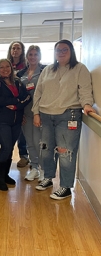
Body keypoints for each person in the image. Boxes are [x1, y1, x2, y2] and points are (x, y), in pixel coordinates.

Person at [33, 39, 95, 200]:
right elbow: (38, 93)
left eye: (64, 50)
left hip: (68, 115)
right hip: (46, 114)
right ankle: (48, 177)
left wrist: (87, 104)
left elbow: (85, 90)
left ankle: (66, 187)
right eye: (58, 50)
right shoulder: (47, 70)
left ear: (71, 51)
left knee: (65, 151)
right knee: (46, 149)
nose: (61, 52)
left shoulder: (79, 69)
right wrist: (36, 113)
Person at [0, 59, 31, 191]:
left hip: (16, 120)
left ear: (11, 68)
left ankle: (5, 174)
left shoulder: (18, 82)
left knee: (11, 147)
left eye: (7, 66)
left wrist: (17, 104)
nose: (5, 69)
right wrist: (17, 100)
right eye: (2, 67)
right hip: (1, 120)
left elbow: (27, 97)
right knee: (6, 147)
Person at [17, 45, 46, 181]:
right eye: (30, 54)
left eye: (36, 54)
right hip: (26, 113)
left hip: (40, 113)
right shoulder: (21, 74)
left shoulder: (45, 71)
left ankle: (43, 169)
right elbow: (18, 95)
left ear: (39, 56)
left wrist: (39, 113)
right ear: (27, 57)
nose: (33, 57)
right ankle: (34, 168)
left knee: (39, 142)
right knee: (29, 142)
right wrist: (20, 113)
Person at [7, 41, 30, 167]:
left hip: (24, 102)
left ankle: (24, 155)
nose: (15, 50)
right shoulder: (6, 65)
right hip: (9, 103)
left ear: (22, 51)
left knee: (24, 130)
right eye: (13, 48)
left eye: (18, 48)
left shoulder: (26, 66)